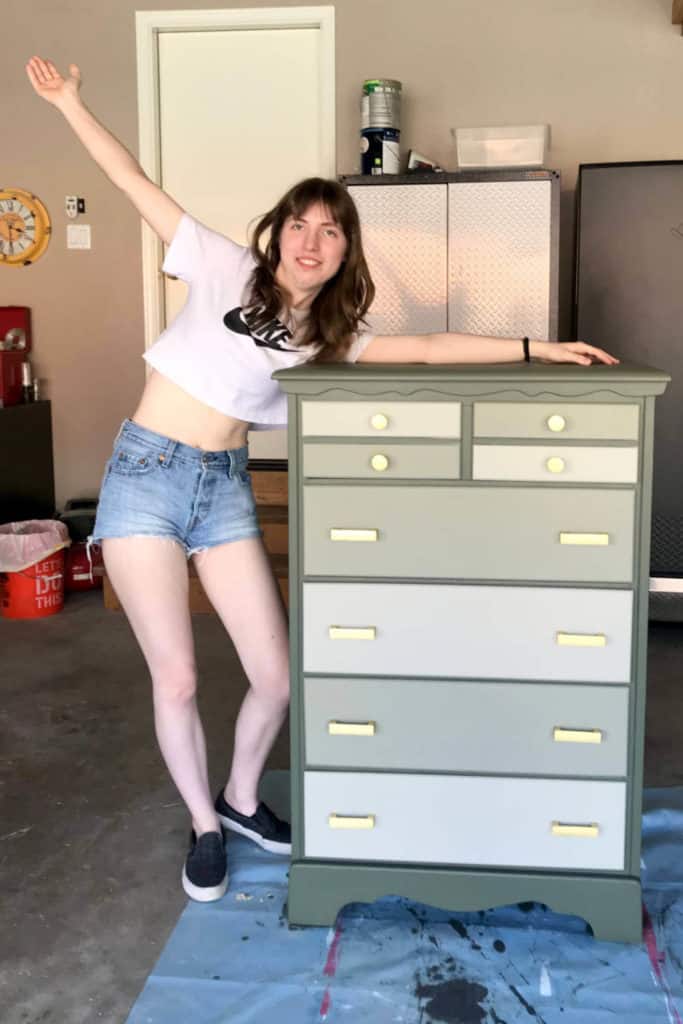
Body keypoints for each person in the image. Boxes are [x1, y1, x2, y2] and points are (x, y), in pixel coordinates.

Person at [26, 55, 619, 903]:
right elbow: (130, 179)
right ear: (276, 233)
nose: (310, 241)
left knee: (275, 674)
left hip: (225, 487)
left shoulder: (333, 332)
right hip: (146, 478)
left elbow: (427, 347)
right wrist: (70, 104)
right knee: (180, 677)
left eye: (330, 230)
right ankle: (202, 825)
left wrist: (537, 346)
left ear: (344, 251)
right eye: (299, 224)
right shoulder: (220, 265)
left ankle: (239, 800)